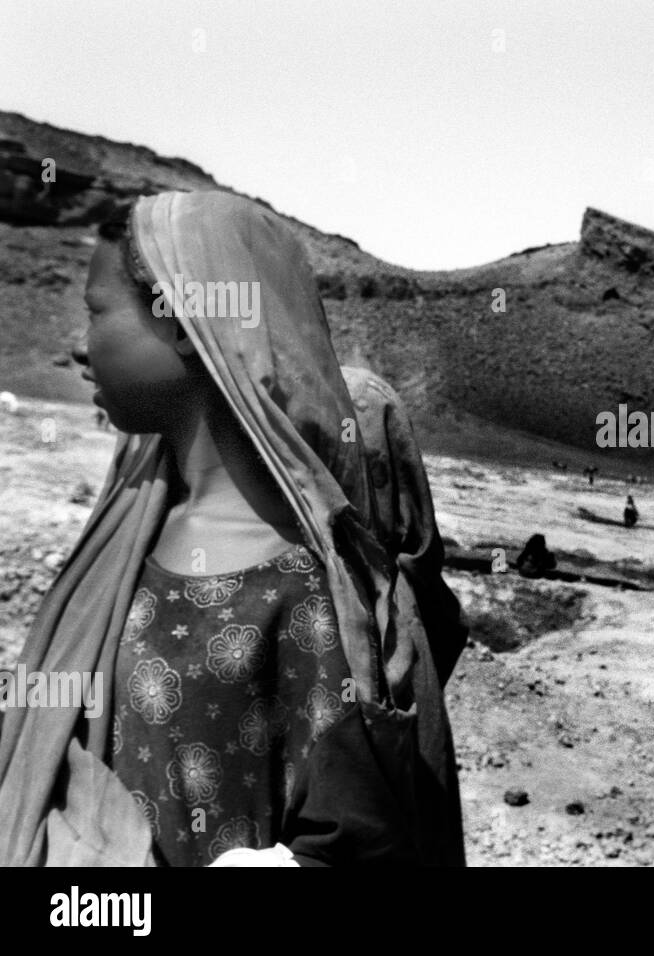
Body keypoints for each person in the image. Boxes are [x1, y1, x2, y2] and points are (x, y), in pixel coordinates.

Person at [0, 190, 464, 866]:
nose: (80, 344)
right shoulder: (134, 513)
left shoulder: (310, 593)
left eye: (96, 312)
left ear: (186, 322)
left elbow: (354, 843)